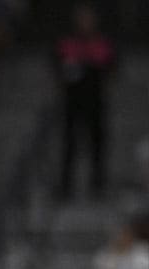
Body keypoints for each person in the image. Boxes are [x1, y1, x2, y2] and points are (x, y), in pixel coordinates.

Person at [55, 3, 116, 199]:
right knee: (70, 145)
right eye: (82, 19)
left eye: (88, 19)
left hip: (96, 101)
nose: (85, 23)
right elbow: (57, 66)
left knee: (97, 145)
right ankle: (66, 186)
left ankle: (97, 185)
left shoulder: (103, 42)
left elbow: (111, 67)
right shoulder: (67, 42)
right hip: (72, 103)